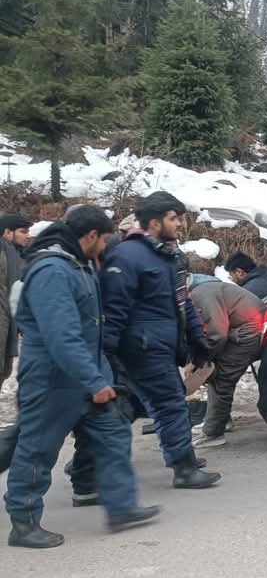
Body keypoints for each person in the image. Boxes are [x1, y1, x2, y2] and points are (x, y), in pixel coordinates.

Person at [5, 206, 160, 548]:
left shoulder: (79, 265)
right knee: (36, 450)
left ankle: (121, 507)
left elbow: (89, 330)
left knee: (114, 434)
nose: (107, 248)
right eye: (105, 240)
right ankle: (24, 523)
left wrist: (101, 377)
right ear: (90, 236)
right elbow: (62, 336)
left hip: (85, 375)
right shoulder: (53, 271)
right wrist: (94, 381)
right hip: (52, 379)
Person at [101, 191, 221, 489]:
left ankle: (86, 469)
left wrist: (197, 339)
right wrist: (108, 351)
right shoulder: (127, 255)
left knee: (131, 406)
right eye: (174, 218)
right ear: (154, 223)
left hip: (159, 345)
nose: (180, 224)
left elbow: (182, 302)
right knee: (169, 404)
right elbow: (114, 308)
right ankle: (184, 467)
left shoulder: (167, 255)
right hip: (142, 346)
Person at [189, 274, 264, 448]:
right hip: (240, 327)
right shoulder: (201, 289)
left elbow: (217, 333)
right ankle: (218, 421)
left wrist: (201, 359)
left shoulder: (201, 293)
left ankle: (213, 433)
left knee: (222, 378)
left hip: (246, 331)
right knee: (216, 376)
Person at [0, 213, 31, 387]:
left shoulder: (17, 256)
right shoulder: (4, 254)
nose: (28, 235)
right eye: (22, 231)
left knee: (4, 370)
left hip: (8, 323)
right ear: (7, 232)